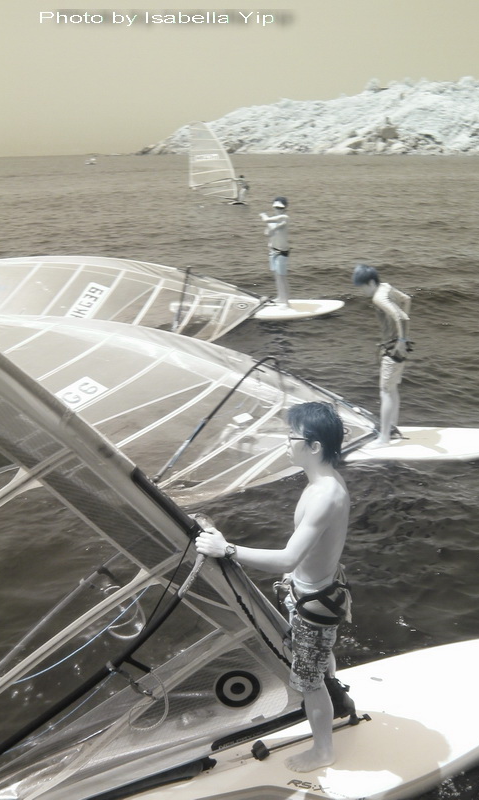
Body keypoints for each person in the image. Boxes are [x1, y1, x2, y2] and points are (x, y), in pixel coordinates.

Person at [195, 401, 353, 772]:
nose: (285, 443)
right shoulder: (321, 480)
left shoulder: (325, 495)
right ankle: (329, 677)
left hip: (315, 604)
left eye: (291, 437)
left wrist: (226, 549)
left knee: (308, 682)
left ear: (313, 447)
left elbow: (287, 558)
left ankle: (323, 750)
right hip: (313, 590)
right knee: (317, 663)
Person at [352, 263, 412, 444]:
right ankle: (392, 428)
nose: (362, 291)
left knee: (385, 392)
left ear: (371, 282)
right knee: (392, 389)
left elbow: (402, 317)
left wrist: (401, 340)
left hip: (392, 349)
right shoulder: (386, 287)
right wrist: (403, 338)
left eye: (362, 287)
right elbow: (406, 299)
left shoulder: (378, 298)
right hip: (398, 349)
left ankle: (384, 438)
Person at [260, 196, 290, 306]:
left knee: (282, 277)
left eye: (280, 208)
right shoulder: (273, 221)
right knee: (277, 276)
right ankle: (280, 297)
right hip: (273, 251)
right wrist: (270, 228)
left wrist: (263, 215)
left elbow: (267, 220)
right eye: (276, 207)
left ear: (285, 208)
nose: (278, 210)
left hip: (282, 252)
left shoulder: (285, 217)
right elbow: (267, 233)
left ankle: (286, 303)